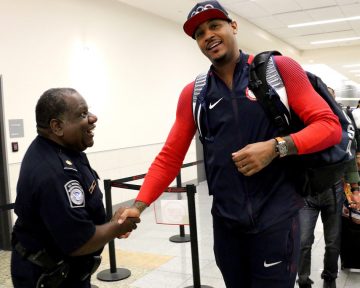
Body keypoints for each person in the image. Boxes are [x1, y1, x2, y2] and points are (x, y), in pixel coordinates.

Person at [125, 1, 342, 287]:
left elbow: (329, 126)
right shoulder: (195, 93)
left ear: (233, 26)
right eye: (200, 33)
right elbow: (170, 156)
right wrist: (138, 206)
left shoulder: (278, 70)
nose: (208, 36)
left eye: (215, 25)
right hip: (226, 224)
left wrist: (276, 147)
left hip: (276, 218)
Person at [11, 88, 140, 288]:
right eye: (82, 114)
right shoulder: (53, 172)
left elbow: (82, 208)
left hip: (70, 272)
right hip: (48, 277)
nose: (93, 118)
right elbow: (79, 242)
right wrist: (117, 227)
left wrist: (111, 222)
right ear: (57, 126)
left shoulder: (69, 150)